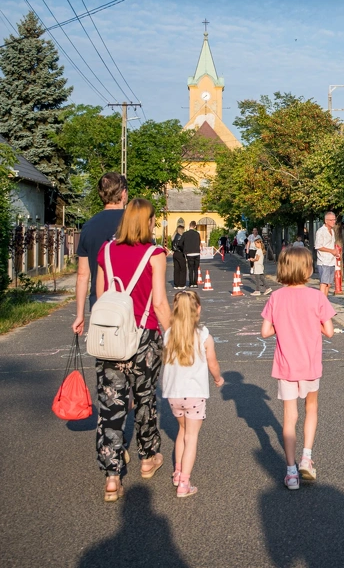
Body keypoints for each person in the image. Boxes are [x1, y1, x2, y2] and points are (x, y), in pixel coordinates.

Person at [93, 198, 172, 502]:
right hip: (144, 338)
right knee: (145, 400)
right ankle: (149, 458)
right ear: (147, 222)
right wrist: (174, 337)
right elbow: (160, 303)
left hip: (111, 338)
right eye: (152, 220)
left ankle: (112, 476)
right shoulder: (155, 255)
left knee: (111, 406)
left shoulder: (106, 251)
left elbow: (102, 296)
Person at [261, 247, 336, 490]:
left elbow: (265, 331)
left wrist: (280, 326)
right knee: (311, 407)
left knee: (289, 416)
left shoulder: (276, 297)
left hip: (286, 365)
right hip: (310, 363)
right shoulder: (317, 297)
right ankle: (307, 457)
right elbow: (330, 331)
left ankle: (291, 471)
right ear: (307, 269)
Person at [162, 290, 224, 498]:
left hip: (173, 395)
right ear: (198, 309)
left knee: (181, 431)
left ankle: (178, 471)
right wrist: (218, 378)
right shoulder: (204, 335)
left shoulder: (169, 334)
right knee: (192, 435)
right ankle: (185, 483)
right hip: (195, 394)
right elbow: (212, 363)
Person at [72, 172, 127, 335]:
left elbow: (82, 275)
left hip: (100, 303)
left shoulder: (88, 226)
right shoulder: (133, 222)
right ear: (123, 193)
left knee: (105, 352)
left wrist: (80, 314)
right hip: (131, 302)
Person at [314, 212, 339, 297]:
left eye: (334, 219)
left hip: (331, 261)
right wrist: (331, 251)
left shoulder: (332, 230)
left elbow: (331, 244)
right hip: (323, 261)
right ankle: (321, 302)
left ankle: (325, 301)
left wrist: (335, 251)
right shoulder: (321, 232)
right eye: (331, 220)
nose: (333, 222)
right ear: (326, 221)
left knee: (329, 284)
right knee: (324, 283)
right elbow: (318, 246)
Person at [182, 221, 201, 288]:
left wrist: (184, 249)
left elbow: (181, 243)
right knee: (196, 269)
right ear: (195, 226)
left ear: (189, 225)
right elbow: (199, 242)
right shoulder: (197, 234)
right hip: (196, 253)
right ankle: (195, 283)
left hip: (189, 253)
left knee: (190, 269)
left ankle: (191, 283)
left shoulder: (185, 234)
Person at [170, 225, 187, 290]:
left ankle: (176, 284)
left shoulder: (174, 236)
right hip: (180, 253)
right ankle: (182, 284)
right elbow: (181, 245)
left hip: (175, 253)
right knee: (183, 269)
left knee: (176, 269)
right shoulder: (181, 237)